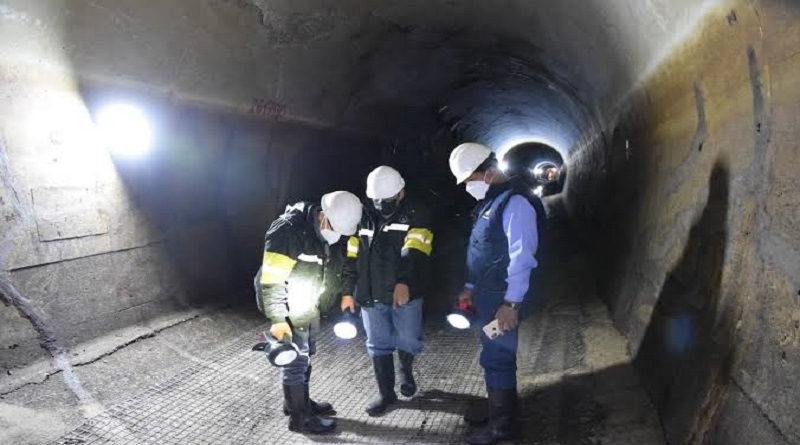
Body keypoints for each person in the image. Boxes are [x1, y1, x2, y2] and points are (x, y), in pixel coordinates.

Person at [448, 143, 545, 445]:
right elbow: (482, 253)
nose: (468, 185)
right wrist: (470, 287)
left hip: (503, 299)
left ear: (489, 172)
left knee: (498, 357)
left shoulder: (515, 204)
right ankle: (497, 411)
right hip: (487, 297)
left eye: (470, 179)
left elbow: (522, 257)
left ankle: (502, 427)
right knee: (491, 353)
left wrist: (511, 304)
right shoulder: (488, 204)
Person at [254, 191, 362, 434]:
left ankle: (297, 403)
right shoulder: (288, 230)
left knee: (306, 355)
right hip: (286, 305)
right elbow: (272, 280)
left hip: (308, 303)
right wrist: (278, 319)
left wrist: (346, 293)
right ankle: (300, 419)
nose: (337, 234)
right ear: (323, 215)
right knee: (296, 361)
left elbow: (343, 265)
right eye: (334, 227)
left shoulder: (333, 232)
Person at [341, 166, 434, 416]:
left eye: (388, 199)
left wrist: (404, 282)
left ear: (401, 193)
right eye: (377, 200)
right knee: (378, 344)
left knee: (409, 339)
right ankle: (386, 395)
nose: (382, 205)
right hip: (370, 294)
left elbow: (415, 252)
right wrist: (348, 291)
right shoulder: (361, 217)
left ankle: (405, 370)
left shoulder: (417, 215)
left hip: (404, 293)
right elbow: (351, 256)